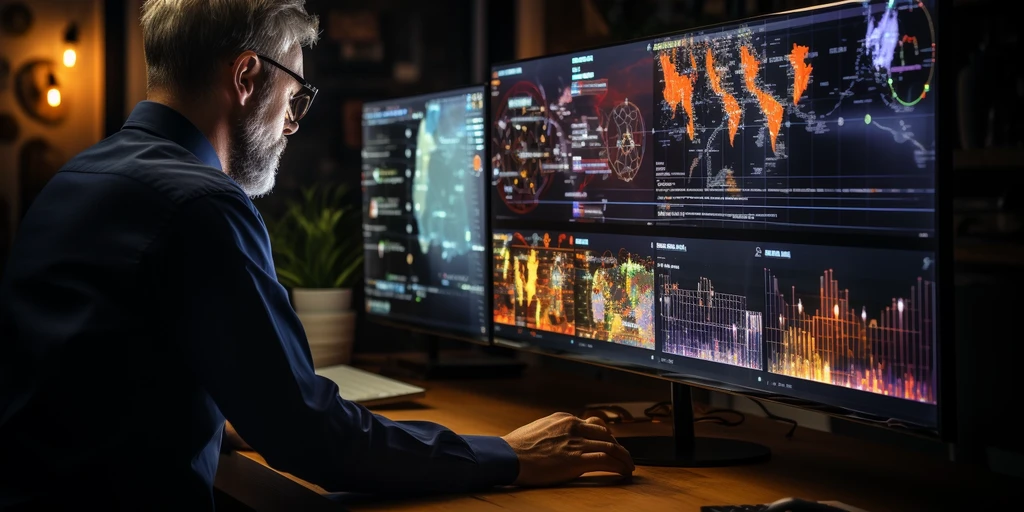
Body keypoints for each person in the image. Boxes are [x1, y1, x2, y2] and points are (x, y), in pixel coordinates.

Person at [0, 0, 634, 509]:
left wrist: (227, 408)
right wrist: (509, 456)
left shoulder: (77, 178)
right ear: (247, 78)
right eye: (295, 92)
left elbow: (101, 384)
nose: (293, 122)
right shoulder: (201, 206)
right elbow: (308, 437)